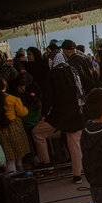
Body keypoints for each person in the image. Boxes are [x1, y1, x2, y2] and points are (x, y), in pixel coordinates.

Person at [32, 51, 85, 183]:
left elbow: (48, 98)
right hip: (76, 114)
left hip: (58, 116)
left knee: (37, 134)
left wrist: (43, 115)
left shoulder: (52, 75)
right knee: (75, 145)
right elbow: (81, 91)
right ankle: (77, 175)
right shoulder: (73, 70)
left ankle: (46, 163)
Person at [0, 75, 31, 172]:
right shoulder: (13, 99)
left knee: (9, 158)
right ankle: (20, 170)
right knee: (18, 152)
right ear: (4, 87)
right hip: (14, 128)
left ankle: (11, 178)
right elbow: (23, 112)